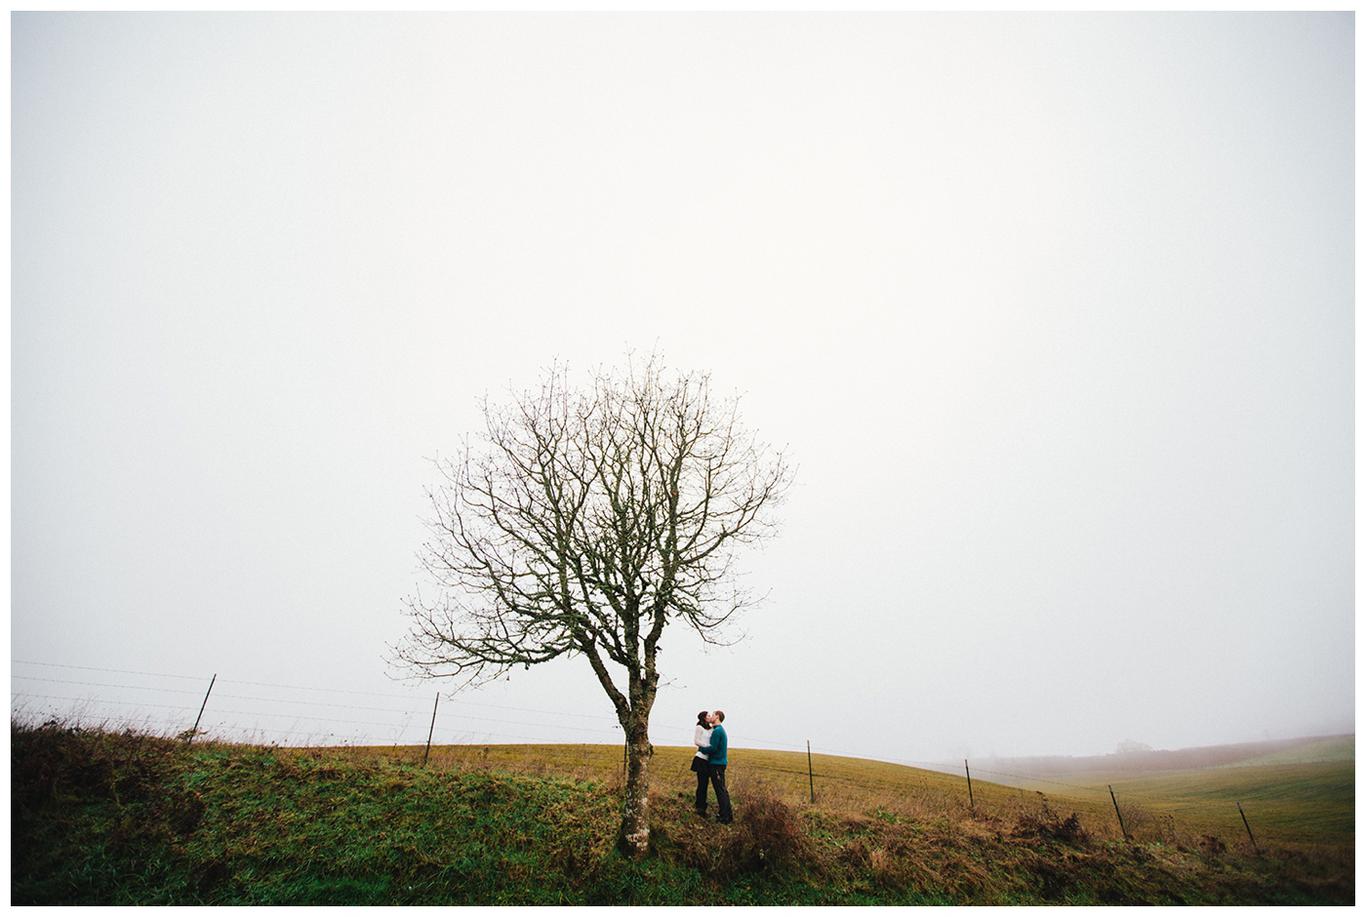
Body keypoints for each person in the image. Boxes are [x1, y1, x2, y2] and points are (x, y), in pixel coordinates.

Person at [698, 710, 732, 824]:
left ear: (717, 716)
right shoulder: (719, 730)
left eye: (712, 715)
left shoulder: (717, 731)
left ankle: (724, 817)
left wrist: (701, 749)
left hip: (717, 764)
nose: (710, 717)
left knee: (720, 790)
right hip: (719, 763)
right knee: (722, 789)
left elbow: (713, 748)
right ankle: (727, 815)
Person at [691, 710, 713, 816]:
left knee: (705, 784)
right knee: (702, 784)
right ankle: (700, 807)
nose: (710, 717)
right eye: (708, 715)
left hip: (708, 759)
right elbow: (696, 741)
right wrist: (708, 747)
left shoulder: (710, 728)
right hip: (701, 759)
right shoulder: (699, 727)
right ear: (704, 717)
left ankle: (702, 805)